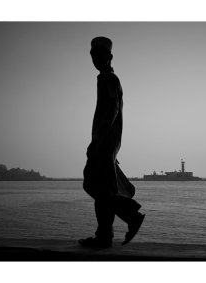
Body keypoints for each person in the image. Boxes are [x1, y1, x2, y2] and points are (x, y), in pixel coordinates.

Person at [79, 36, 145, 248]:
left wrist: (98, 140)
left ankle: (130, 215)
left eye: (100, 55)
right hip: (108, 143)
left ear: (109, 57)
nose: (95, 59)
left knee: (92, 184)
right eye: (93, 55)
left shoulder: (109, 78)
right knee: (101, 189)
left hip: (104, 143)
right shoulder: (106, 78)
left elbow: (111, 110)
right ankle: (104, 236)